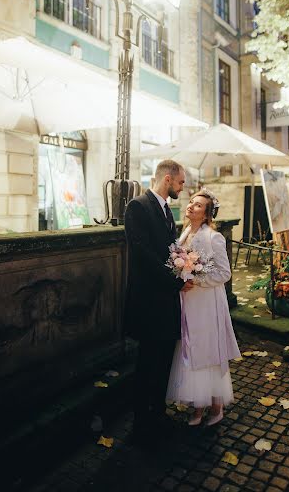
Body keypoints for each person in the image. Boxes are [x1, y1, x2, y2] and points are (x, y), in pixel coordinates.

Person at [124, 159, 193, 442]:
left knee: (164, 360)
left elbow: (169, 252)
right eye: (180, 182)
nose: (182, 187)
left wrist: (186, 266)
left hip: (167, 301)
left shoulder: (167, 210)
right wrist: (175, 280)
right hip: (149, 301)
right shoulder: (137, 207)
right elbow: (143, 255)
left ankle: (158, 412)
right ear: (167, 179)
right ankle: (141, 423)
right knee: (147, 363)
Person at [166, 189, 241, 426]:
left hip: (207, 303)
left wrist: (195, 280)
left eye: (197, 205)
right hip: (188, 302)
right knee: (191, 348)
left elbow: (224, 273)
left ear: (207, 214)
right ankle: (201, 405)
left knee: (207, 351)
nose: (190, 206)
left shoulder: (213, 237)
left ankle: (214, 407)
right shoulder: (184, 233)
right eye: (191, 202)